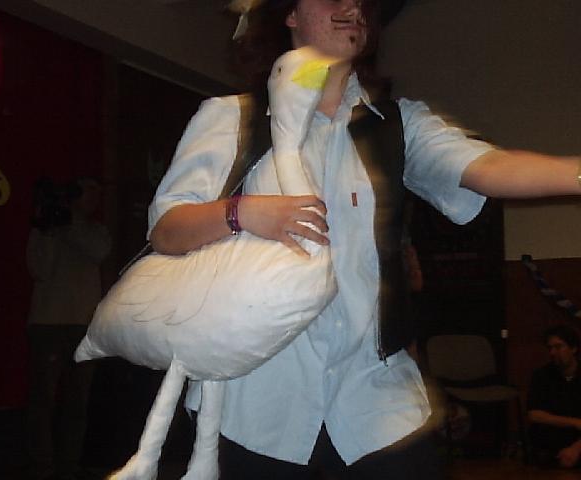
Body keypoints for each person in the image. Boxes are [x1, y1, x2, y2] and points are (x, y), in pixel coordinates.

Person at [147, 1, 581, 478]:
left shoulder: (396, 125)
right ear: (290, 14)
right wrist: (243, 212)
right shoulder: (232, 119)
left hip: (377, 404)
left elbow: (491, 168)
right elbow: (167, 230)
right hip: (256, 404)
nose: (352, 5)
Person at [26, 177, 111, 480]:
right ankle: (42, 466)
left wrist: (68, 222)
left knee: (77, 402)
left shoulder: (95, 230)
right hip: (47, 323)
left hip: (83, 326)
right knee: (43, 401)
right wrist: (51, 226)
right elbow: (39, 269)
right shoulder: (45, 228)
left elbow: (99, 251)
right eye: (88, 192)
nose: (94, 198)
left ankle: (69, 466)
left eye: (97, 193)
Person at [528, 325, 581, 469]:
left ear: (573, 348)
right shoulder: (542, 376)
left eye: (558, 347)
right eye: (550, 348)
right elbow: (534, 414)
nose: (552, 352)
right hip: (554, 434)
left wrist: (576, 448)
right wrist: (574, 422)